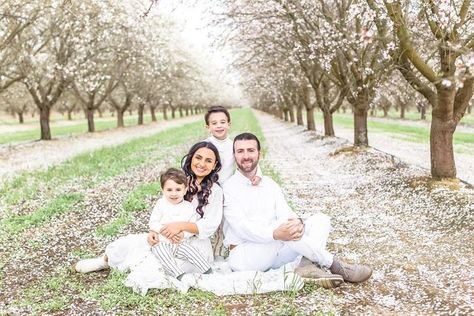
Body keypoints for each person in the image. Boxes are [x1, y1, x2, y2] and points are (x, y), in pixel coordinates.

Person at [223, 133, 372, 289]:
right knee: (286, 231)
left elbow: (285, 212)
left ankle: (307, 265)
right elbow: (242, 227)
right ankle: (334, 264)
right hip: (246, 256)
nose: (245, 156)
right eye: (240, 151)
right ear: (234, 155)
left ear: (259, 154)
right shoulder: (229, 188)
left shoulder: (270, 184)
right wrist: (275, 233)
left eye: (250, 150)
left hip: (276, 251)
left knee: (320, 220)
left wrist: (298, 223)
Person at [75, 141, 223, 289]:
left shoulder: (215, 191)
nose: (202, 163)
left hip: (192, 242)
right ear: (191, 158)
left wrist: (179, 228)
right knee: (132, 242)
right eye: (198, 157)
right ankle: (104, 261)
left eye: (208, 160)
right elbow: (162, 211)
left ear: (214, 165)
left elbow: (210, 224)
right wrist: (154, 230)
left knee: (159, 264)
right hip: (164, 235)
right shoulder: (178, 180)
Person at [149, 168, 212, 282]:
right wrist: (164, 231)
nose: (174, 193)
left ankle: (207, 269)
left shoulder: (188, 207)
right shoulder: (161, 204)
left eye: (178, 189)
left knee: (192, 252)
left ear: (185, 190)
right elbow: (153, 222)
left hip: (180, 242)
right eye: (169, 190)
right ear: (162, 190)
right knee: (161, 253)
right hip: (163, 242)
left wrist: (183, 234)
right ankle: (178, 274)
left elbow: (192, 226)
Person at [204, 105, 234, 185]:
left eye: (223, 122)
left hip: (228, 188)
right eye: (214, 123)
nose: (219, 126)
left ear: (229, 125)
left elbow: (245, 161)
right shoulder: (203, 146)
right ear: (208, 128)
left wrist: (257, 174)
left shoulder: (234, 146)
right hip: (208, 188)